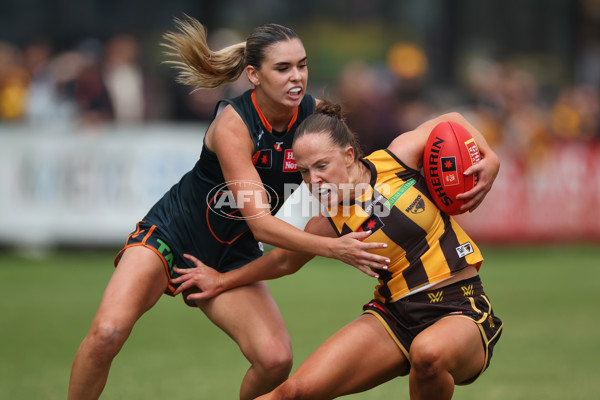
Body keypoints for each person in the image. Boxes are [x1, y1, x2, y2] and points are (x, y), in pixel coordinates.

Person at [67, 17, 392, 400]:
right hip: (173, 233)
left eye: (302, 65)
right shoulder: (233, 126)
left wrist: (397, 201)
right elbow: (262, 226)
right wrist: (335, 248)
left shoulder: (314, 118)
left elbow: (357, 181)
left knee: (274, 360)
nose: (297, 77)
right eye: (283, 68)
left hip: (231, 254)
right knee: (107, 333)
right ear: (254, 75)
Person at [172, 100, 503, 400]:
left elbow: (452, 119)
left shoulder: (398, 158)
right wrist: (221, 280)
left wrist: (491, 158)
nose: (313, 181)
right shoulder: (326, 224)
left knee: (428, 354)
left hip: (460, 305)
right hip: (395, 317)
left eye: (321, 166)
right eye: (303, 172)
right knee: (291, 393)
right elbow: (283, 262)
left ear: (348, 156)